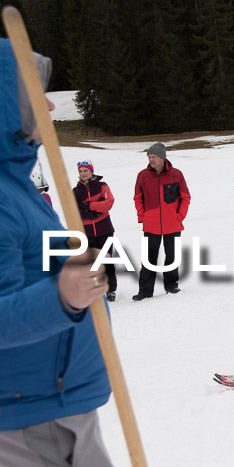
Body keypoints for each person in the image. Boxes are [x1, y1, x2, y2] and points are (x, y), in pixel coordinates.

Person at [0, 38, 113, 466]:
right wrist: (62, 296)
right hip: (31, 412)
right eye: (33, 97)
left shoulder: (16, 187)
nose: (48, 108)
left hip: (61, 399)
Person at [132, 142, 191, 300]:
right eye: (149, 157)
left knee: (172, 257)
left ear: (163, 157)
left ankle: (171, 286)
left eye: (154, 157)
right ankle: (145, 291)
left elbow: (185, 197)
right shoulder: (142, 175)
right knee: (149, 258)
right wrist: (142, 216)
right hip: (151, 225)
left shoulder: (176, 174)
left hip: (173, 223)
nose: (151, 159)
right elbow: (138, 198)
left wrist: (179, 216)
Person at [73, 160, 118, 302]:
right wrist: (95, 212)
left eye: (86, 170)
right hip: (87, 231)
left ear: (91, 171)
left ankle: (111, 289)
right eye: (81, 171)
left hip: (104, 229)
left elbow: (109, 202)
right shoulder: (75, 191)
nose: (83, 173)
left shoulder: (102, 186)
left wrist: (90, 206)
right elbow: (75, 210)